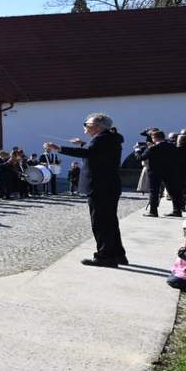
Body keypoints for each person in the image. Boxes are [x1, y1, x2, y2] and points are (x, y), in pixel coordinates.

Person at [47, 113, 128, 267]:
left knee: (101, 222)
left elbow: (90, 153)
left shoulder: (101, 139)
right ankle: (117, 254)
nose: (85, 127)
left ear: (97, 127)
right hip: (109, 185)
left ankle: (105, 257)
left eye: (87, 124)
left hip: (100, 186)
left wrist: (58, 148)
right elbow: (95, 151)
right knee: (110, 222)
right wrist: (83, 143)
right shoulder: (109, 138)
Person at [135, 129, 184, 217]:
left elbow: (140, 158)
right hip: (169, 171)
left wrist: (137, 150)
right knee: (172, 191)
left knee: (154, 191)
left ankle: (153, 211)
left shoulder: (153, 148)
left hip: (155, 172)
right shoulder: (171, 146)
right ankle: (177, 210)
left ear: (154, 138)